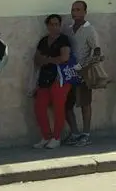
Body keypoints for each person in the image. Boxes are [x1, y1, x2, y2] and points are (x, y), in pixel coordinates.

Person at [32, 14, 73, 149]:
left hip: (59, 78)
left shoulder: (63, 40)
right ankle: (46, 136)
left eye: (57, 24)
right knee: (39, 107)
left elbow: (64, 57)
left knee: (58, 108)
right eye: (51, 24)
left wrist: (47, 59)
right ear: (47, 25)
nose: (54, 27)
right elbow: (37, 59)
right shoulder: (44, 40)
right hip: (44, 78)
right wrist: (51, 59)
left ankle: (56, 137)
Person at [64, 0, 98, 147]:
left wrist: (85, 67)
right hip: (69, 73)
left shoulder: (90, 30)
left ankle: (86, 134)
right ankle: (74, 132)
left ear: (85, 12)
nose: (75, 13)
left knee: (85, 104)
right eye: (73, 10)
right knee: (67, 104)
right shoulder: (69, 29)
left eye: (78, 10)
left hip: (83, 72)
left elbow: (97, 51)